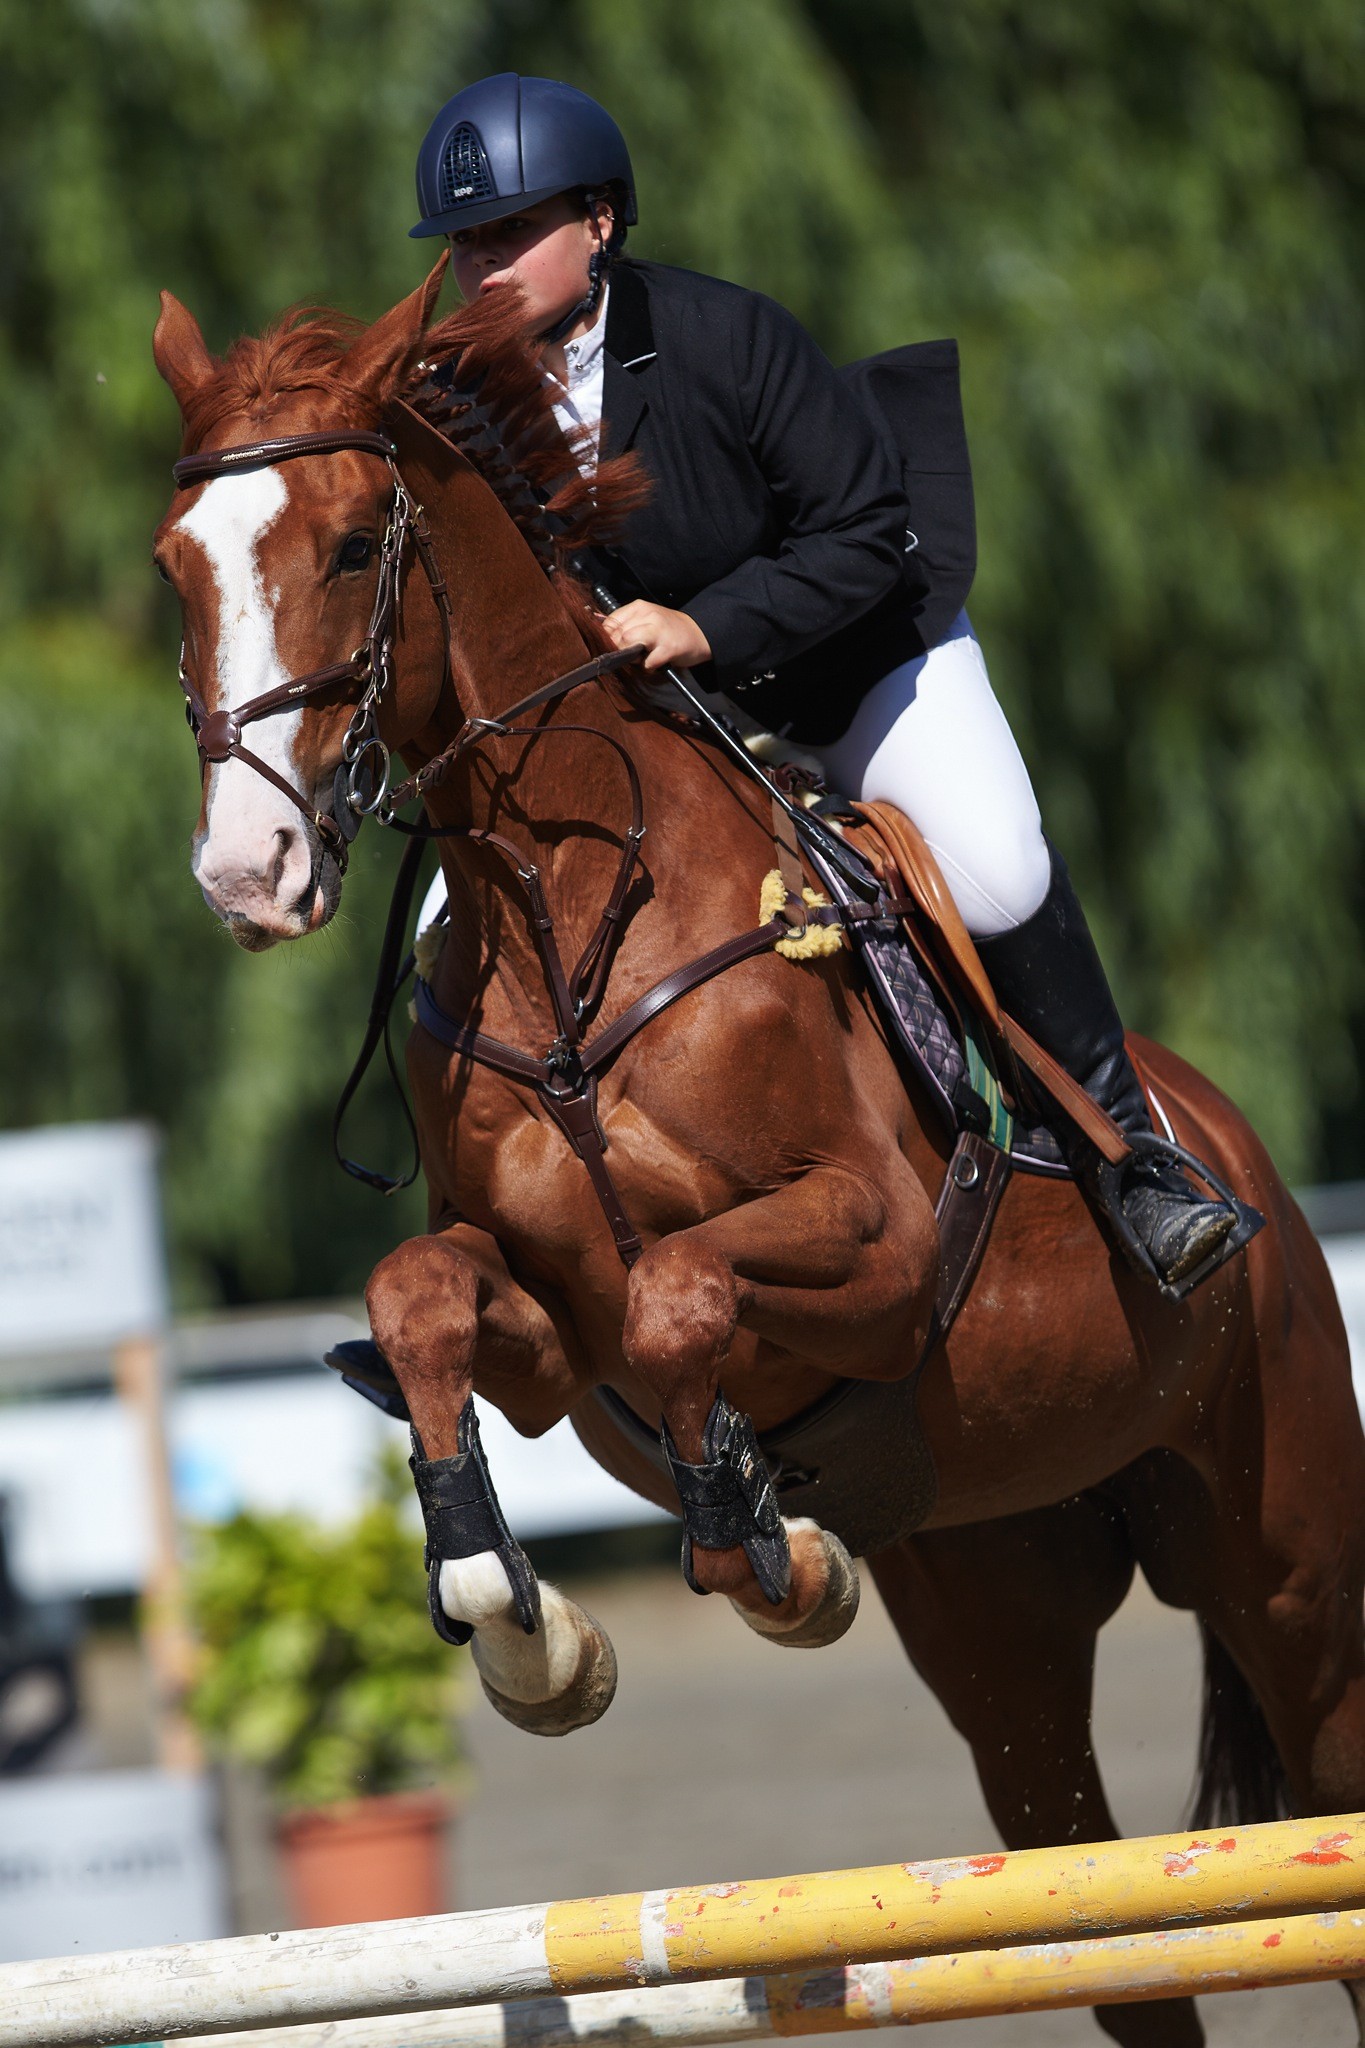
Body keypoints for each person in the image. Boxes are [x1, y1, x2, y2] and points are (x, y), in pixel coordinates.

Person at [406, 72, 1236, 1289]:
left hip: (862, 659)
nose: (483, 267)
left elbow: (868, 532)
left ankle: (1136, 1163)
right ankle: (467, 1249)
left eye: (510, 232)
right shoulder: (455, 403)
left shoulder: (721, 336)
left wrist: (704, 624)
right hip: (669, 733)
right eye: (465, 242)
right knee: (452, 936)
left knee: (997, 868)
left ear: (598, 221)